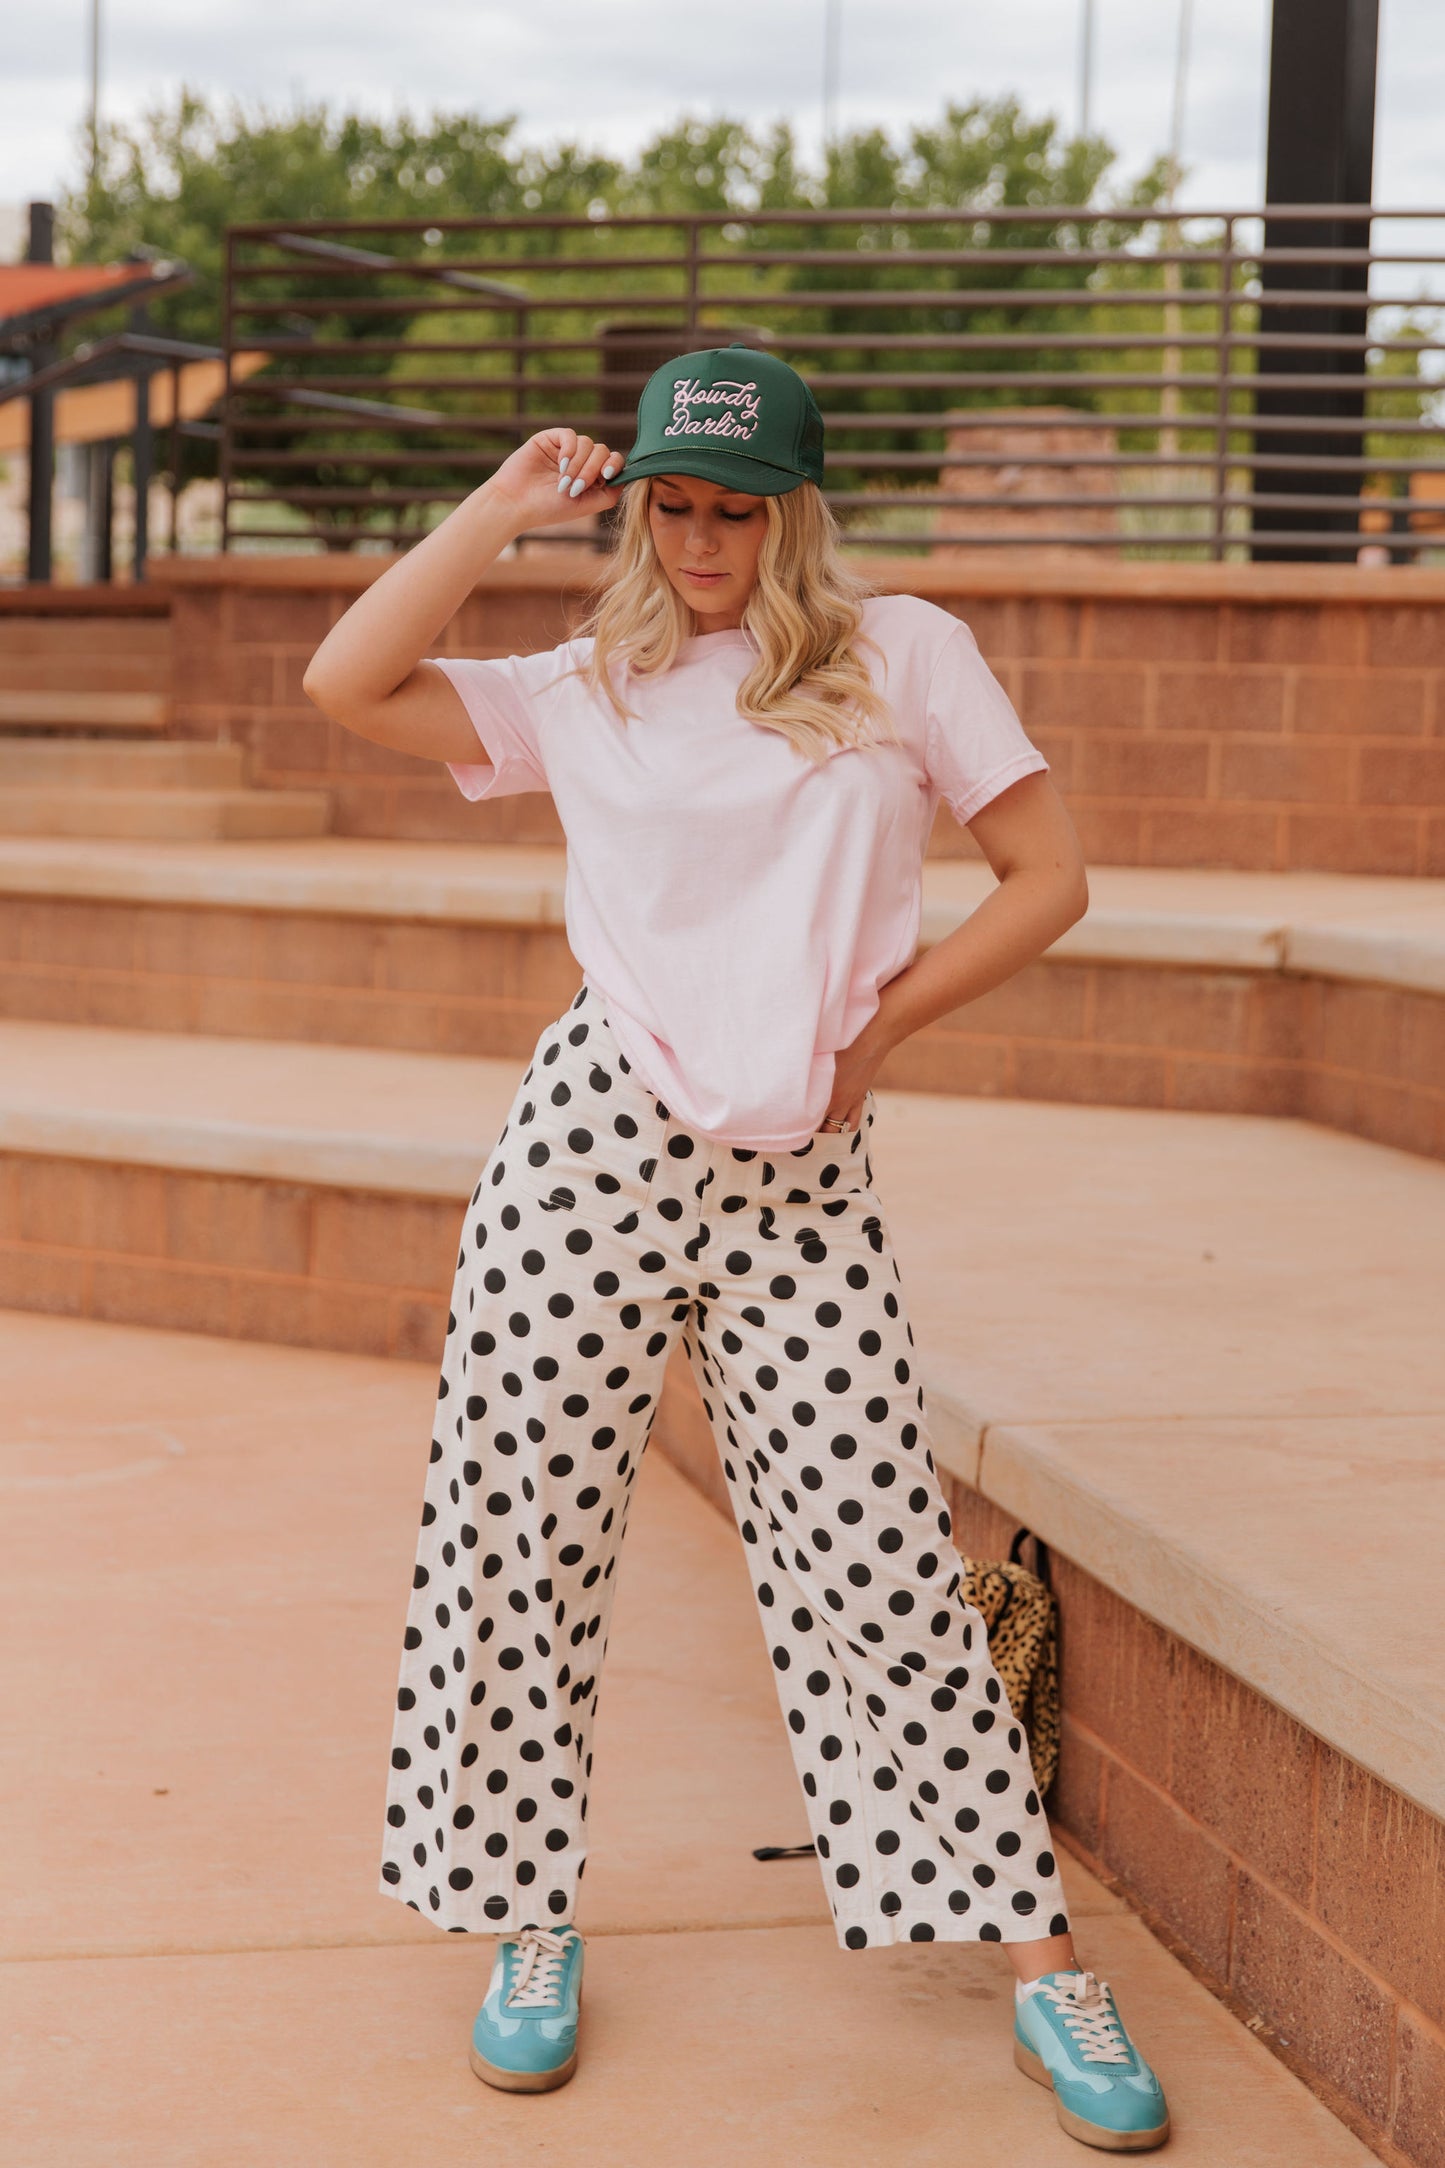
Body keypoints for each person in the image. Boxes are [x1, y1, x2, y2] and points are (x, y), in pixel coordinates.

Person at [302, 345, 1171, 2153]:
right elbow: (345, 680)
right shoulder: (585, 683)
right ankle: (527, 1924)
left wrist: (878, 1033)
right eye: (672, 506)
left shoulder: (903, 654)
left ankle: (1040, 1967)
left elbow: (1050, 878)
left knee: (879, 1560)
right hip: (589, 1157)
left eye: (737, 509)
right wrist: (503, 504)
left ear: (796, 508)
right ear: (635, 508)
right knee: (518, 1544)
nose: (701, 542)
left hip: (803, 1182)